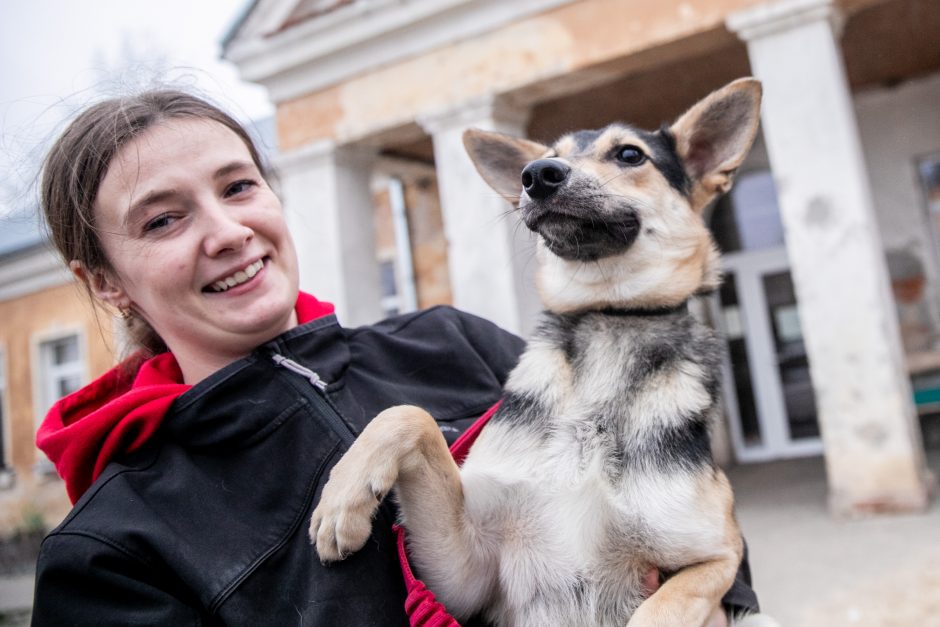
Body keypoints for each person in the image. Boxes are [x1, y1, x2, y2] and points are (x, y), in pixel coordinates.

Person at [31, 89, 759, 625]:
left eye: (238, 186)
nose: (226, 231)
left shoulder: (455, 346)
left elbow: (701, 533)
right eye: (164, 219)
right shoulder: (112, 548)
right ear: (104, 281)